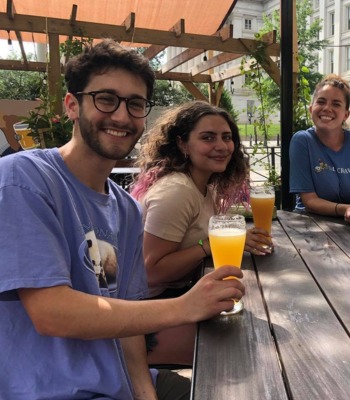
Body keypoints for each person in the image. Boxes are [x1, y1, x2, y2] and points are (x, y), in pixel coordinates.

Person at [0, 40, 245, 400]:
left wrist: (145, 394)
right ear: (72, 105)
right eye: (105, 99)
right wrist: (184, 306)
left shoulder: (126, 210)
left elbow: (129, 322)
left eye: (135, 104)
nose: (121, 115)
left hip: (122, 382)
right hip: (51, 390)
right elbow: (51, 312)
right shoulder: (24, 179)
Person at [130, 101, 271, 366]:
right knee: (244, 349)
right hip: (146, 314)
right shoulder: (177, 191)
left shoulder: (204, 186)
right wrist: (208, 246)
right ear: (183, 144)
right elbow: (151, 273)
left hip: (180, 294)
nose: (221, 146)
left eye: (226, 137)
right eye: (208, 137)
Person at [289, 74, 350, 226]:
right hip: (309, 224)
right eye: (321, 102)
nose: (327, 108)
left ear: (346, 115)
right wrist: (346, 209)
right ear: (311, 109)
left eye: (336, 104)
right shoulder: (302, 141)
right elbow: (310, 201)